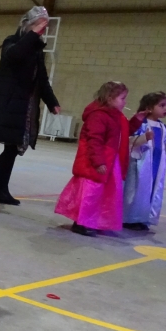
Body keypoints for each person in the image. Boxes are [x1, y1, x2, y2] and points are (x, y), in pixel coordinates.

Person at [0, 6, 61, 205]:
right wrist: (33, 34)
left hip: (24, 107)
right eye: (38, 26)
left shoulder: (36, 50)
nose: (42, 30)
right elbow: (14, 56)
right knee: (12, 147)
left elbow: (41, 79)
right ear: (28, 25)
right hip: (9, 105)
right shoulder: (12, 42)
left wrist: (52, 102)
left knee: (13, 148)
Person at [55, 81, 130, 237]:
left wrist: (137, 120)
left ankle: (92, 220)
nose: (125, 102)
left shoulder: (114, 116)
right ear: (110, 98)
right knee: (90, 193)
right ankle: (81, 223)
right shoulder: (99, 116)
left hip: (107, 160)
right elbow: (94, 140)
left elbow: (125, 132)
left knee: (100, 193)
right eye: (122, 98)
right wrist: (98, 161)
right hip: (94, 162)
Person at [123, 92, 166, 231]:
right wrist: (144, 138)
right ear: (149, 107)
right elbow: (130, 142)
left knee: (152, 190)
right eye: (162, 105)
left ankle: (145, 218)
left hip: (157, 166)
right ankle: (130, 218)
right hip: (141, 164)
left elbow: (164, 147)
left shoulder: (163, 127)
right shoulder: (140, 124)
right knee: (137, 190)